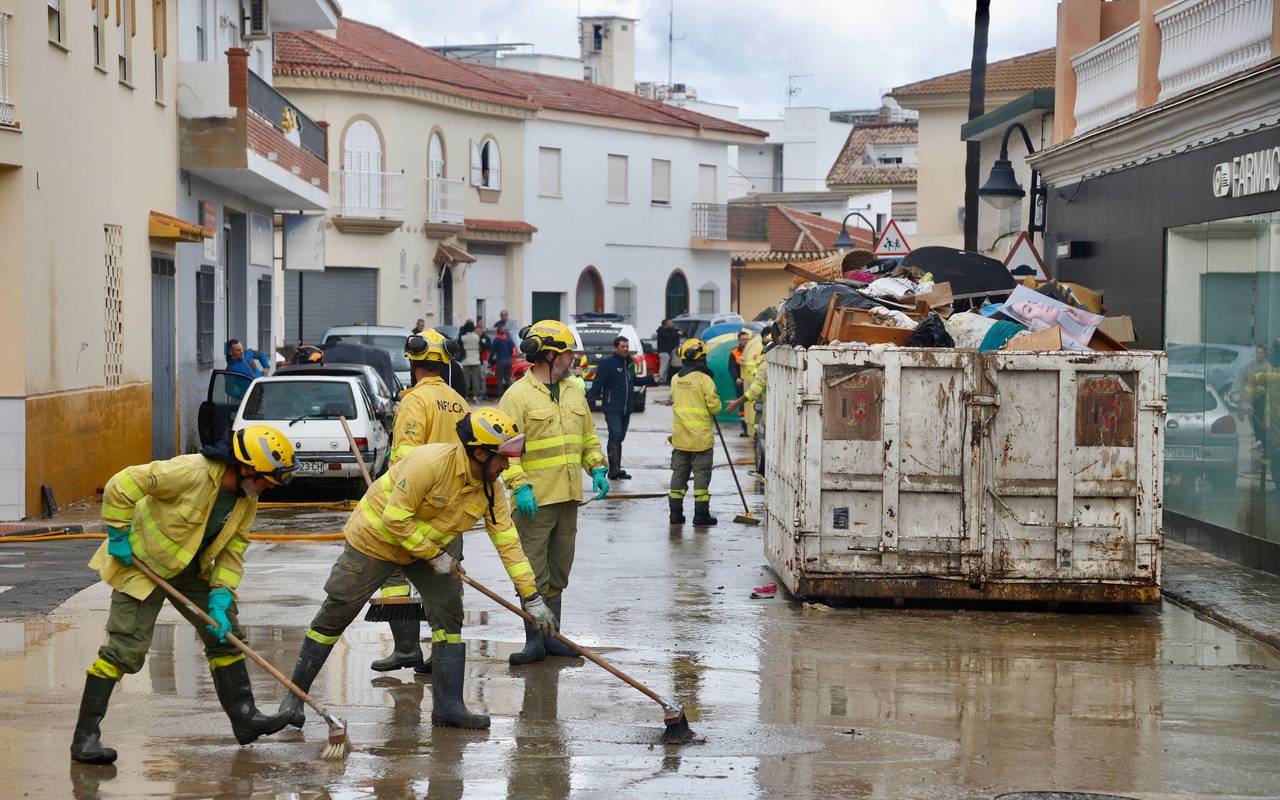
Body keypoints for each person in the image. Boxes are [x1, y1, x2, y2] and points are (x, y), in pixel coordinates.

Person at [277, 409, 557, 730]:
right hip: (375, 541)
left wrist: (531, 597)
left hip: (427, 552)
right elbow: (395, 519)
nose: (506, 466)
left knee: (449, 614)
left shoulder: (490, 489)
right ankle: (294, 697)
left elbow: (509, 544)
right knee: (335, 612)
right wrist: (435, 556)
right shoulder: (429, 464)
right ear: (479, 453)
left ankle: (449, 707)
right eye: (501, 458)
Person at [71, 426, 297, 764]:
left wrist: (221, 596)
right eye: (268, 479)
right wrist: (118, 532)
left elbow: (233, 550)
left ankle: (245, 719)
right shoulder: (190, 472)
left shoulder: (246, 499)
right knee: (124, 650)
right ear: (247, 468)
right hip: (141, 564)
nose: (269, 487)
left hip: (191, 570)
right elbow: (124, 483)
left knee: (226, 636)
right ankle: (85, 738)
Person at [499, 320, 608, 665]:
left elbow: (587, 436)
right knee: (532, 572)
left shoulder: (574, 390)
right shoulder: (517, 396)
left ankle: (552, 636)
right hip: (535, 500)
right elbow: (504, 451)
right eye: (566, 353)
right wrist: (520, 486)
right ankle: (534, 640)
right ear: (547, 355)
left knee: (559, 570)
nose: (573, 358)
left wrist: (598, 467)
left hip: (567, 497)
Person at [369, 329, 469, 677]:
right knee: (443, 585)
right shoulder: (459, 401)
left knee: (395, 573)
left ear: (413, 362)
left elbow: (407, 459)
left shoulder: (415, 400)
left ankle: (407, 648)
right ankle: (442, 658)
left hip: (416, 507)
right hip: (450, 510)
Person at [588, 336, 661, 480]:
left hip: (626, 408)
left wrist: (652, 379)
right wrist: (589, 405)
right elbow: (597, 384)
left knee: (619, 438)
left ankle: (617, 468)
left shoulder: (630, 363)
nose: (625, 349)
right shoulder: (608, 363)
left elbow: (633, 381)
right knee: (615, 436)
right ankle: (613, 470)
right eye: (622, 346)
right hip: (612, 407)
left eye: (627, 346)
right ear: (615, 348)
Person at [668, 338, 722, 527]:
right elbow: (715, 407)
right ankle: (701, 515)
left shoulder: (675, 379)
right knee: (701, 477)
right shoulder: (705, 380)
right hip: (701, 441)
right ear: (701, 357)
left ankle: (675, 514)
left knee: (679, 475)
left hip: (680, 439)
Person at [1236, 345, 1270, 451]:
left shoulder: (1269, 367)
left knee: (1263, 420)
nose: (1259, 355)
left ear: (1265, 354)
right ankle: (1259, 440)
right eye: (1258, 352)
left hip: (1266, 399)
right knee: (1255, 418)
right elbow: (1240, 383)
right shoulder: (1248, 367)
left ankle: (1261, 441)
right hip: (1253, 399)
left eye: (1261, 353)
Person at [728, 330, 751, 436]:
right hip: (740, 383)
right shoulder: (734, 352)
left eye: (746, 339)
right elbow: (731, 367)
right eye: (743, 339)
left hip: (752, 382)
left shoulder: (753, 351)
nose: (745, 341)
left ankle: (752, 429)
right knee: (742, 405)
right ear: (739, 340)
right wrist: (736, 378)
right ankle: (745, 428)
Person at [459, 321, 484, 403]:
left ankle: (465, 396)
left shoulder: (463, 337)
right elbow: (481, 346)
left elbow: (459, 346)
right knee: (475, 379)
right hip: (476, 359)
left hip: (466, 360)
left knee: (466, 379)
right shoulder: (477, 337)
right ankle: (475, 396)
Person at [489, 326, 517, 396]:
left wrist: (490, 360)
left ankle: (500, 396)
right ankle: (512, 394)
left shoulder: (496, 340)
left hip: (500, 361)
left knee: (499, 380)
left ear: (497, 332)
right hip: (509, 361)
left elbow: (492, 351)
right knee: (508, 378)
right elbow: (511, 350)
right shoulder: (508, 340)